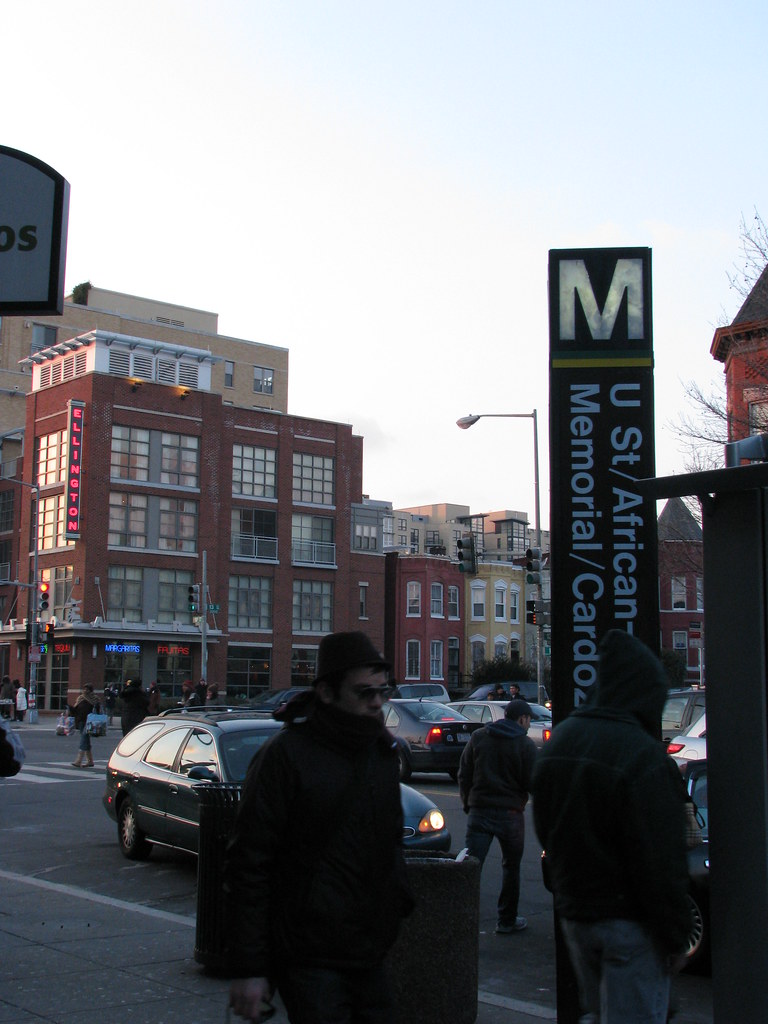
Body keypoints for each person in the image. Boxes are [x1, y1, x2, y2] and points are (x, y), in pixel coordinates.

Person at [225, 630, 412, 1024]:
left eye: (384, 691)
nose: (377, 702)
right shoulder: (285, 756)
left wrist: (397, 901)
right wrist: (250, 968)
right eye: (364, 693)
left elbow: (388, 840)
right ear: (327, 692)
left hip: (370, 949)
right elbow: (249, 864)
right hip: (309, 955)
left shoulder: (380, 751)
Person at [531, 630, 691, 1024]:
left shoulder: (559, 742)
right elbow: (660, 859)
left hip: (576, 915)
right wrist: (674, 936)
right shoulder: (643, 756)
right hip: (631, 924)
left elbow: (546, 829)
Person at [458, 697, 537, 934]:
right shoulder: (524, 745)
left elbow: (464, 773)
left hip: (479, 811)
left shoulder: (479, 737)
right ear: (522, 719)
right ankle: (506, 920)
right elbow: (532, 782)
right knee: (511, 868)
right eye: (528, 721)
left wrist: (467, 803)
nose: (528, 725)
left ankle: (461, 921)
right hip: (511, 815)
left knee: (472, 868)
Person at [70, 684, 101, 767]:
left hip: (90, 722)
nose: (85, 691)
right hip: (81, 721)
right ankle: (90, 761)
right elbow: (75, 710)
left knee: (84, 739)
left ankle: (78, 761)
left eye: (87, 689)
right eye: (84, 689)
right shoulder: (80, 698)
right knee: (86, 740)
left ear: (91, 690)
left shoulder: (95, 699)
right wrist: (70, 709)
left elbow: (98, 711)